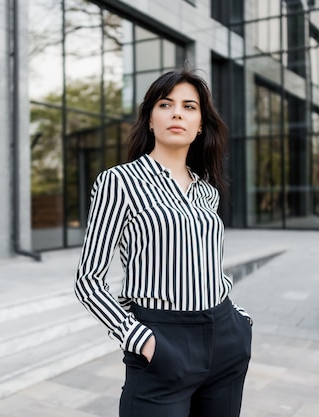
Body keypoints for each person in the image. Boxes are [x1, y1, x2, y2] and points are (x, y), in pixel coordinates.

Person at [75, 68, 252, 417]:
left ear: (200, 124)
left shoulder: (207, 191)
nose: (177, 113)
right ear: (150, 120)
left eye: (189, 107)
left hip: (224, 337)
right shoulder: (119, 182)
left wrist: (240, 321)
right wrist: (140, 339)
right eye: (165, 104)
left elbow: (207, 266)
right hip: (162, 340)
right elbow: (88, 281)